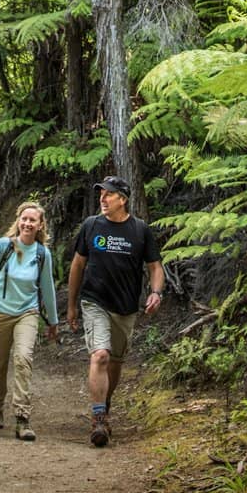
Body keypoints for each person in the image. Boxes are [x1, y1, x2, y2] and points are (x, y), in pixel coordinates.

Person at [66, 175, 165, 447]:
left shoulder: (140, 230)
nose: (103, 198)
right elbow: (77, 266)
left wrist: (156, 293)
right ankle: (98, 419)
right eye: (101, 194)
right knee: (100, 355)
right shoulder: (91, 226)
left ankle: (104, 404)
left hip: (125, 307)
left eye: (108, 194)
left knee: (116, 362)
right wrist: (72, 305)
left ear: (122, 199)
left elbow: (155, 267)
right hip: (94, 301)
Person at [0, 201, 59, 441]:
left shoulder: (41, 254)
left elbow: (47, 289)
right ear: (18, 221)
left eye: (32, 220)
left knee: (23, 358)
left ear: (40, 225)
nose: (27, 223)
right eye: (24, 219)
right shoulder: (5, 246)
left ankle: (22, 418)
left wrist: (53, 323)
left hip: (27, 313)